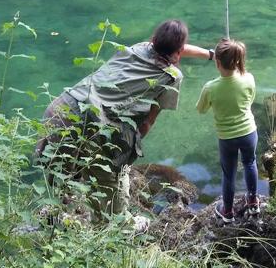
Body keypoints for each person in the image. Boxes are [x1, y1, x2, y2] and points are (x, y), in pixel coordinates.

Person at [36, 19, 213, 218]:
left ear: (153, 40)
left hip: (61, 108)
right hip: (95, 126)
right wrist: (124, 156)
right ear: (179, 51)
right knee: (112, 193)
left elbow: (175, 47)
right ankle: (118, 228)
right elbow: (148, 122)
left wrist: (209, 54)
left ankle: (61, 223)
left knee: (62, 183)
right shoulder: (172, 77)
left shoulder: (139, 48)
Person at [196, 38, 259, 223]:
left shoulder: (211, 87)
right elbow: (250, 99)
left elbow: (201, 110)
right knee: (250, 163)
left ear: (217, 62)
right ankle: (253, 201)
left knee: (229, 174)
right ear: (239, 60)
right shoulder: (249, 78)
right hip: (249, 132)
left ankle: (228, 211)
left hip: (227, 138)